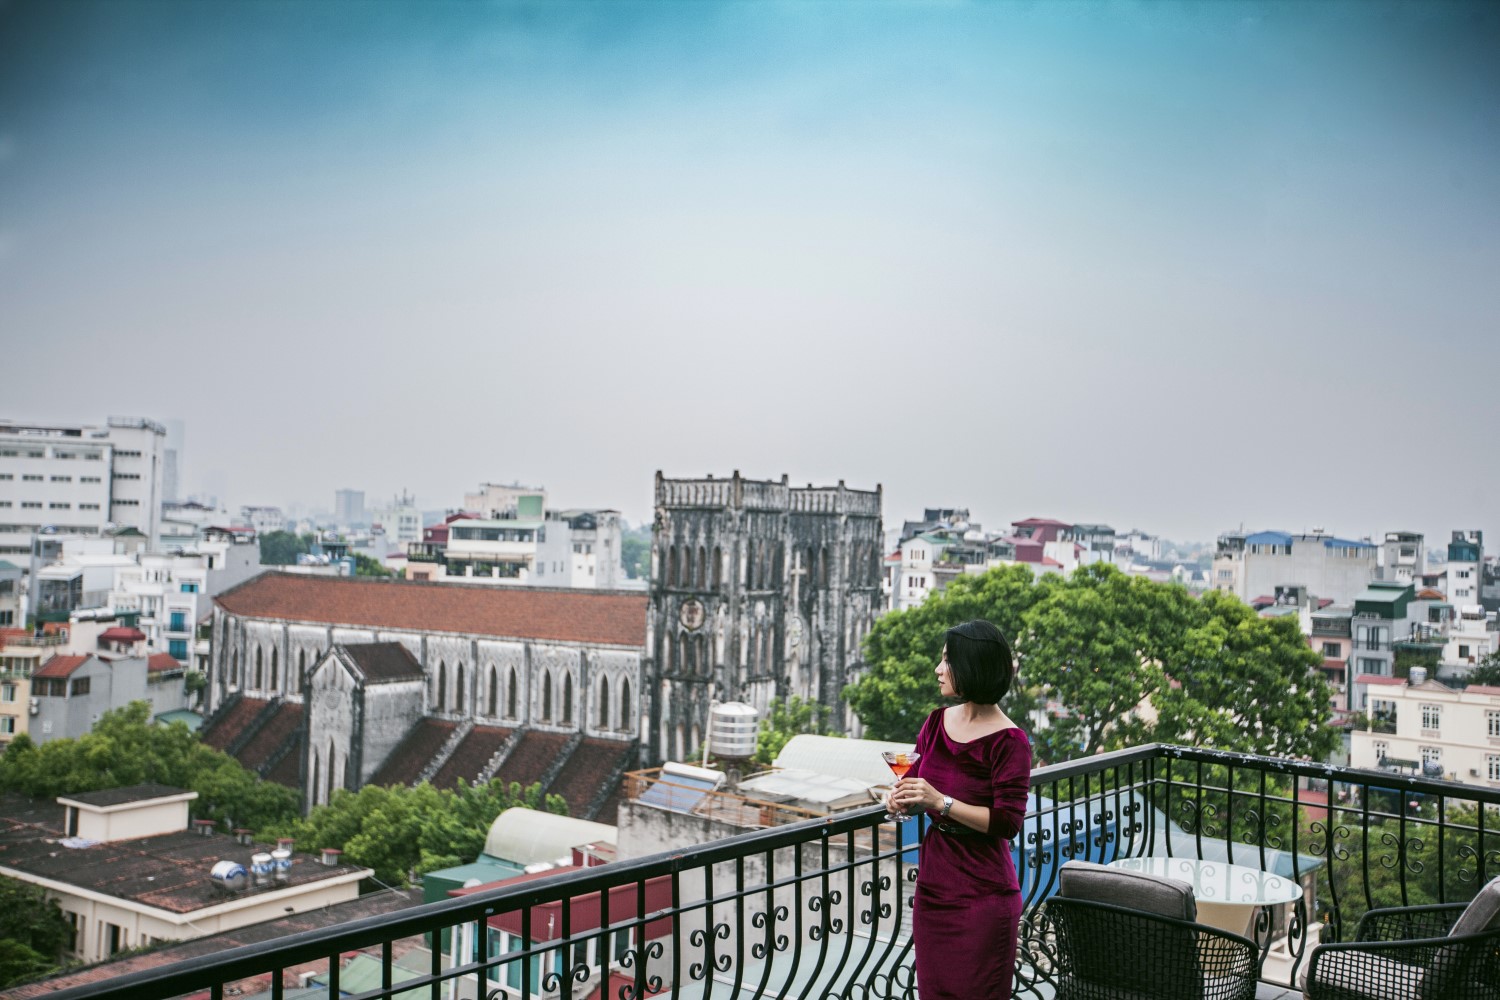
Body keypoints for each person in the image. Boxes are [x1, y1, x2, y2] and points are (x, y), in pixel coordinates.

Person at [886, 619, 1031, 999]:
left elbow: (1007, 822)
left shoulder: (1009, 741)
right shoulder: (936, 722)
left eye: (947, 661)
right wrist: (898, 798)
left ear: (973, 667)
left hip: (984, 895)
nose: (937, 669)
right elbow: (916, 787)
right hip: (934, 887)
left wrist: (942, 803)